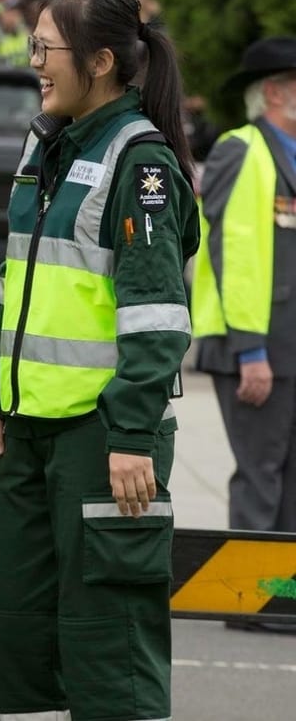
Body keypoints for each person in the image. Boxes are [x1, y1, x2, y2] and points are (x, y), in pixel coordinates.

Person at [0, 0, 200, 720]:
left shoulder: (142, 165)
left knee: (108, 651)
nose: (32, 61)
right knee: (22, 640)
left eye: (44, 47)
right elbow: (12, 283)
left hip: (103, 444)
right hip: (30, 434)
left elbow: (157, 317)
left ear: (99, 61)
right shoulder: (47, 150)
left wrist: (131, 434)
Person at [192, 38, 296, 632]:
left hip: (289, 345)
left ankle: (279, 594)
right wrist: (249, 349)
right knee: (262, 474)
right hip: (254, 347)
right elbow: (234, 252)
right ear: (275, 92)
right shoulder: (241, 149)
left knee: (289, 477)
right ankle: (250, 599)